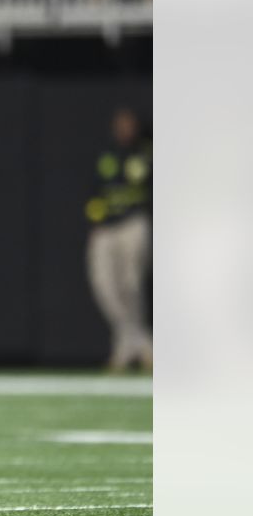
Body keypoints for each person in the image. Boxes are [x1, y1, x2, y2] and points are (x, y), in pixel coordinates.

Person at [85, 107, 152, 371]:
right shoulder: (106, 155)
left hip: (134, 223)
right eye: (120, 124)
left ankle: (125, 349)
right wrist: (96, 221)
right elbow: (94, 192)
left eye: (129, 124)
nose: (124, 129)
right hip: (106, 228)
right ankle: (143, 344)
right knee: (103, 284)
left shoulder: (146, 153)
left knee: (131, 286)